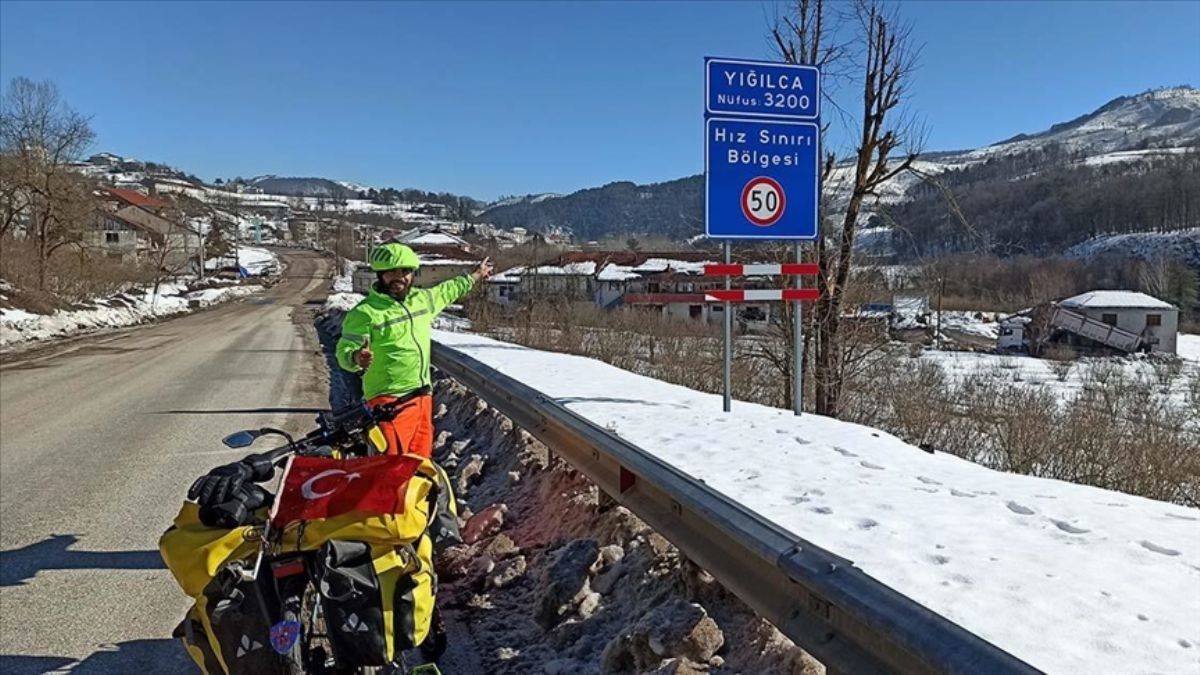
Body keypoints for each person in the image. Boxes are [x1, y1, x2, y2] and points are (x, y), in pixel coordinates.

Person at [336, 243, 493, 457]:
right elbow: (344, 351)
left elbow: (448, 290)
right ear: (380, 274)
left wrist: (475, 275)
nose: (399, 277)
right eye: (392, 272)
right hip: (388, 403)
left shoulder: (422, 301)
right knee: (392, 464)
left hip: (421, 397)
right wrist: (355, 357)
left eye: (405, 271)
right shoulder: (365, 313)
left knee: (419, 462)